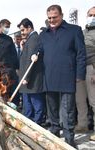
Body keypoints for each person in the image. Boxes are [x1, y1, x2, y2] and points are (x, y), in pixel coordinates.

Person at [32, 5, 86, 147]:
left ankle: (69, 139)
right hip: (49, 77)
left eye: (54, 17)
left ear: (61, 15)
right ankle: (54, 135)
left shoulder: (74, 30)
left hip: (68, 75)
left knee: (68, 110)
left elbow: (81, 54)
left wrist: (80, 74)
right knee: (52, 110)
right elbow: (39, 49)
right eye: (49, 18)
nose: (52, 20)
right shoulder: (44, 34)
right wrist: (34, 54)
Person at [17, 18, 45, 125]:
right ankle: (29, 122)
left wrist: (26, 77)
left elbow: (31, 60)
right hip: (27, 78)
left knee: (35, 102)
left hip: (32, 79)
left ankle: (37, 122)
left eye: (23, 30)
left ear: (29, 28)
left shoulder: (34, 39)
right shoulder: (30, 39)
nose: (22, 32)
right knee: (28, 103)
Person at [75, 6, 95, 141]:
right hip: (79, 70)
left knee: (94, 100)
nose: (92, 17)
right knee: (80, 99)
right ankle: (82, 125)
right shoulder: (82, 31)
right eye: (90, 15)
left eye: (94, 15)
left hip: (92, 69)